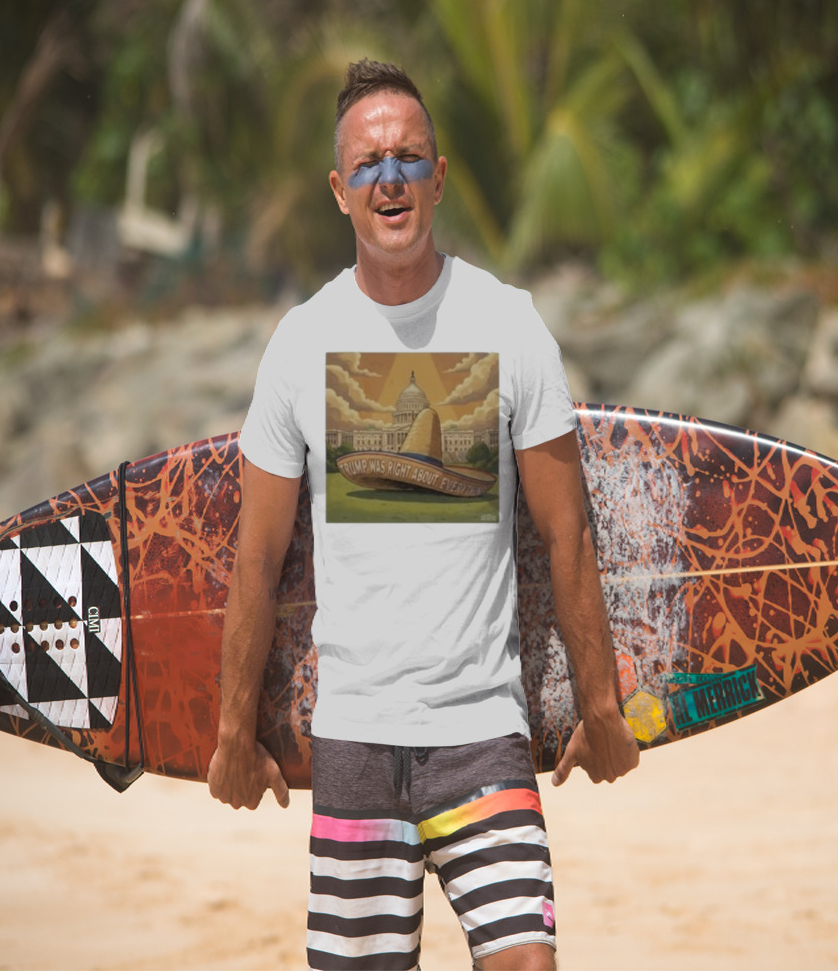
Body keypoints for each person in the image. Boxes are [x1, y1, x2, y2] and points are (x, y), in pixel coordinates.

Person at [208, 58, 639, 971]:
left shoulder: (509, 324)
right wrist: (230, 730)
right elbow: (257, 558)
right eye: (368, 164)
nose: (390, 178)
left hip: (482, 731)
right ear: (339, 190)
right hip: (357, 737)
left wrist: (600, 704)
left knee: (528, 961)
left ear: (439, 177)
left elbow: (567, 533)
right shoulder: (301, 344)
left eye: (409, 158)